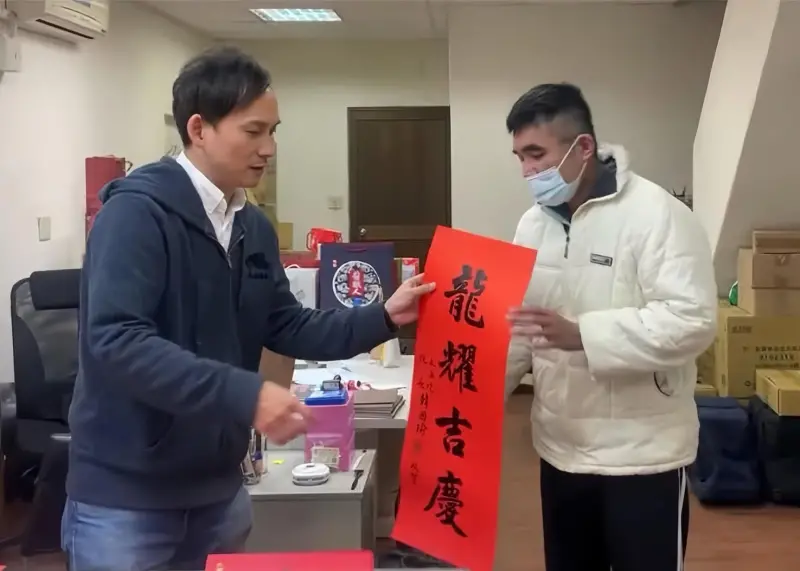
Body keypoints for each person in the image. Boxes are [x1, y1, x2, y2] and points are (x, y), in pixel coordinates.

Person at [61, 46, 435, 571]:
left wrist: (384, 316)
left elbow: (285, 322)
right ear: (198, 128)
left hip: (218, 489)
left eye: (273, 131)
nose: (269, 148)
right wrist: (247, 394)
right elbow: (117, 341)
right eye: (253, 131)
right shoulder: (135, 216)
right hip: (128, 498)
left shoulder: (250, 226)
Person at [504, 83, 716, 571]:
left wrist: (583, 335)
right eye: (519, 157)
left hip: (642, 455)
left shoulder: (657, 214)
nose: (527, 171)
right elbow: (521, 325)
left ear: (583, 147)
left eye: (536, 154)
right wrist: (473, 398)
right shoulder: (532, 225)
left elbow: (692, 321)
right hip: (561, 447)